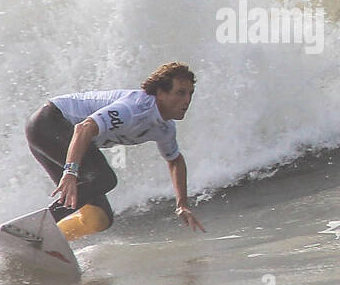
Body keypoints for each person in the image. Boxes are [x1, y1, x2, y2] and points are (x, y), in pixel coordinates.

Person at [25, 61, 205, 234]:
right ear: (160, 93)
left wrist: (182, 204)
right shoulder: (133, 109)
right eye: (180, 93)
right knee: (104, 178)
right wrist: (70, 172)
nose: (187, 100)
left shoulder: (165, 128)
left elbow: (175, 160)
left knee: (99, 218)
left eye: (190, 93)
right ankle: (38, 228)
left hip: (59, 136)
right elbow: (84, 128)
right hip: (49, 123)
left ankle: (50, 240)